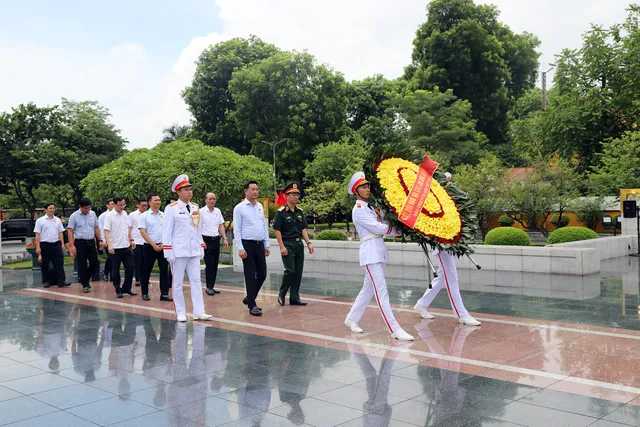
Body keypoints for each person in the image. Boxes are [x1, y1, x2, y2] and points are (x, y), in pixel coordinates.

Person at [344, 172, 414, 341]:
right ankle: (394, 329)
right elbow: (378, 228)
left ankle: (351, 319)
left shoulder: (370, 207)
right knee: (381, 291)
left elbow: (384, 223)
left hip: (378, 251)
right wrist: (398, 230)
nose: (367, 189)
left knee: (368, 290)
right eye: (363, 187)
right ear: (356, 191)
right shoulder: (358, 210)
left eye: (368, 186)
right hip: (370, 253)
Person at [162, 174, 212, 322]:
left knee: (196, 280)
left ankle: (199, 310)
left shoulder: (196, 207)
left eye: (190, 189)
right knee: (177, 282)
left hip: (193, 250)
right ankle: (181, 312)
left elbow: (197, 229)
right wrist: (168, 251)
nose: (189, 192)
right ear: (178, 192)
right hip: (178, 251)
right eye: (186, 189)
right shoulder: (171, 208)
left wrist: (201, 245)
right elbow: (167, 231)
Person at [413, 249, 481, 326]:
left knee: (442, 277)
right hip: (441, 245)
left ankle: (422, 304)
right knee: (451, 278)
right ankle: (461, 314)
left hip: (451, 245)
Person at [273, 182, 314, 306]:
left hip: (298, 245)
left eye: (297, 194)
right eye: (293, 194)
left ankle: (294, 297)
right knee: (290, 271)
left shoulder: (300, 212)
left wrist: (308, 243)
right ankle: (282, 293)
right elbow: (277, 230)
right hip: (288, 244)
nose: (296, 197)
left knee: (298, 272)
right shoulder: (281, 212)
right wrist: (281, 246)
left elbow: (303, 229)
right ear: (287, 196)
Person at [233, 180, 270, 316]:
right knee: (250, 274)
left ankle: (250, 297)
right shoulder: (240, 208)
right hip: (247, 244)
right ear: (246, 191)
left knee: (263, 273)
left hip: (259, 244)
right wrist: (240, 247)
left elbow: (263, 226)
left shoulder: (259, 206)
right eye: (253, 189)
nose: (256, 192)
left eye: (257, 189)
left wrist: (266, 244)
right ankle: (252, 305)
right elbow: (237, 229)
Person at [138, 192, 172, 302]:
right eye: (155, 200)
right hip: (149, 247)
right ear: (149, 202)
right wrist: (153, 245)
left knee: (164, 270)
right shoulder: (144, 216)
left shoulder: (164, 215)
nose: (158, 202)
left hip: (163, 246)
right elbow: (143, 232)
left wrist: (164, 244)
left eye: (159, 200)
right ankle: (144, 293)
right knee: (146, 270)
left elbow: (168, 231)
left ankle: (164, 293)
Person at [67, 197, 103, 293]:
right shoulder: (74, 216)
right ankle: (85, 285)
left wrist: (100, 240)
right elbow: (70, 231)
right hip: (80, 242)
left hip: (91, 241)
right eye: (85, 208)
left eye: (89, 208)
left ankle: (84, 278)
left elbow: (96, 227)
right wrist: (72, 245)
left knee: (94, 263)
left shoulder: (93, 214)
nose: (87, 210)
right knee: (82, 264)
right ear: (80, 207)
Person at [104, 195, 137, 298]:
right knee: (115, 269)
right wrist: (109, 245)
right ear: (114, 204)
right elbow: (106, 231)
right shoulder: (109, 216)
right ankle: (118, 289)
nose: (122, 207)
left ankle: (126, 288)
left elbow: (127, 228)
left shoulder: (125, 214)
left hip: (125, 245)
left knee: (130, 267)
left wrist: (131, 239)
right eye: (120, 205)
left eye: (124, 204)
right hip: (115, 247)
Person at [34, 202, 70, 288]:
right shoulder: (40, 221)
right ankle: (46, 281)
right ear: (45, 210)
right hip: (45, 244)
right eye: (50, 208)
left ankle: (61, 281)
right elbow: (37, 234)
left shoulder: (57, 220)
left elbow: (60, 232)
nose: (52, 210)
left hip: (56, 244)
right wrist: (38, 247)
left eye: (53, 208)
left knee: (59, 263)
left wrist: (62, 244)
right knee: (45, 264)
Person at [201, 192, 229, 295]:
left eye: (214, 199)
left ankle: (212, 286)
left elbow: (220, 225)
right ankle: (208, 287)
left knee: (215, 264)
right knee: (209, 263)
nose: (212, 201)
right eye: (210, 199)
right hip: (206, 240)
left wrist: (225, 238)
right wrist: (201, 240)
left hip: (215, 239)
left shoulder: (217, 211)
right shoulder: (201, 212)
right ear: (206, 200)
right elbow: (198, 227)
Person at [128, 198, 148, 286]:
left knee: (146, 261)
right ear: (138, 205)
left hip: (146, 241)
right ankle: (138, 279)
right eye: (143, 205)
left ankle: (144, 278)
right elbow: (129, 228)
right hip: (136, 241)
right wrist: (131, 239)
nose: (144, 207)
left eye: (146, 205)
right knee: (137, 261)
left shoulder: (149, 214)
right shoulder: (132, 215)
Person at [98, 199, 115, 281]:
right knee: (111, 257)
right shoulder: (103, 216)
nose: (113, 205)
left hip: (116, 240)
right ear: (107, 205)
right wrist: (102, 240)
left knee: (113, 258)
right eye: (111, 204)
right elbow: (101, 229)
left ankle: (107, 272)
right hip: (107, 240)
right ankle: (110, 274)